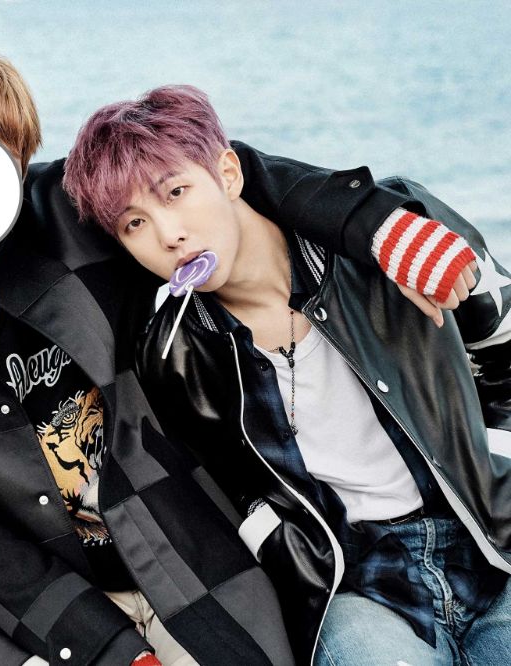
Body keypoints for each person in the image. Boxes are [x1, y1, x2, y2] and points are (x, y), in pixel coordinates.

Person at [0, 52, 446, 666]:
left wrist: (379, 227)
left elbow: (211, 167)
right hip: (59, 613)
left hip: (193, 560)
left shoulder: (66, 218)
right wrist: (113, 652)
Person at [62, 84, 511, 665]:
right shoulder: (177, 349)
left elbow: (504, 347)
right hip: (355, 581)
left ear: (228, 174)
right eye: (134, 224)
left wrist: (492, 459)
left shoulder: (388, 234)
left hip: (490, 536)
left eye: (176, 192)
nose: (168, 235)